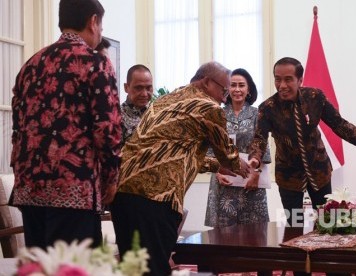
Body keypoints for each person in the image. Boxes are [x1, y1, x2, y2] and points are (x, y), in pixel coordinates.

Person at [111, 61, 251, 276]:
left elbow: (173, 152)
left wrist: (216, 166)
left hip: (124, 195)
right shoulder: (208, 107)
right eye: (224, 90)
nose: (225, 98)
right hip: (156, 198)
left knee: (131, 268)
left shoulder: (166, 100)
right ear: (206, 82)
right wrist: (237, 164)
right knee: (154, 268)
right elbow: (227, 154)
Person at [10, 0, 121, 250]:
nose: (100, 32)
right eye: (101, 26)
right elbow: (108, 129)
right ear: (93, 22)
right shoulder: (96, 63)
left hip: (30, 188)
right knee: (73, 269)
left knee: (41, 268)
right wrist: (111, 178)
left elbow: (18, 128)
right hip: (74, 190)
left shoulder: (31, 64)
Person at [248, 57, 356, 227]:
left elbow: (339, 124)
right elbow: (259, 138)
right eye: (277, 79)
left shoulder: (315, 97)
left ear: (300, 80)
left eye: (288, 79)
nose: (282, 85)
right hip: (288, 176)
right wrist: (255, 158)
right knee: (295, 225)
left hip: (319, 171)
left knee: (327, 223)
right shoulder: (267, 108)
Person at [205, 68, 271, 228]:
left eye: (241, 85)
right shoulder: (216, 114)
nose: (237, 89)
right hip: (223, 184)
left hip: (252, 183)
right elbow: (209, 150)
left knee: (255, 238)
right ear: (226, 88)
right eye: (232, 85)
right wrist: (217, 172)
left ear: (249, 90)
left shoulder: (258, 114)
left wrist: (256, 174)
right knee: (222, 241)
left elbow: (263, 147)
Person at [121, 64, 154, 143]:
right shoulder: (117, 117)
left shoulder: (157, 112)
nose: (144, 94)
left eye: (149, 88)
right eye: (138, 88)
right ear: (126, 87)